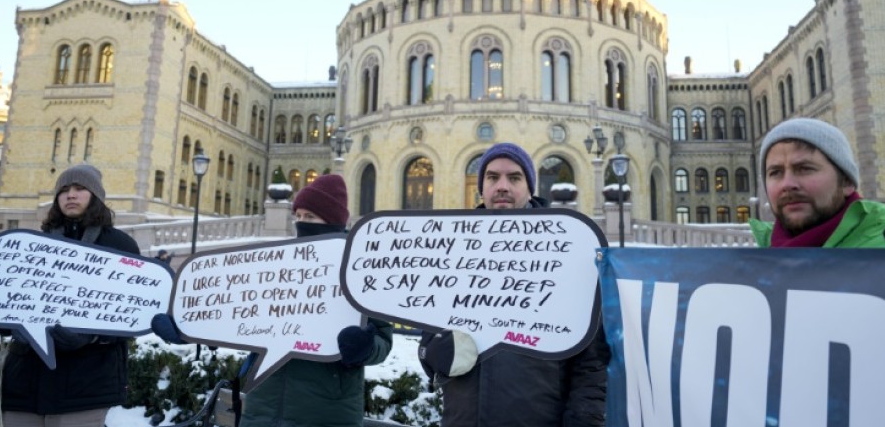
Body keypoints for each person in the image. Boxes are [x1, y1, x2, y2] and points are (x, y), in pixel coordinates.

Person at [152, 173, 393, 427]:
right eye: (297, 216)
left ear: (332, 221)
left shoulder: (360, 269)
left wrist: (364, 348)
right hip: (262, 408)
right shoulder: (278, 267)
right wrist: (189, 327)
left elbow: (383, 340)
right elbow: (234, 315)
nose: (301, 222)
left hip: (325, 414)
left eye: (310, 217)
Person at [418, 142, 611, 426]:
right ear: (481, 187)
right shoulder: (454, 253)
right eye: (493, 177)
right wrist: (433, 351)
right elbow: (428, 343)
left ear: (530, 187)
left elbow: (591, 360)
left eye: (515, 177)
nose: (502, 186)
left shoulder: (565, 253)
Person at [1, 163, 140, 427]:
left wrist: (92, 335)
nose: (71, 195)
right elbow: (4, 299)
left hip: (85, 388)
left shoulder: (120, 246)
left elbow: (133, 313)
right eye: (64, 190)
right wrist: (6, 323)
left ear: (95, 196)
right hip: (24, 385)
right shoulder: (31, 245)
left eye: (79, 188)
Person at [750, 117, 885, 248]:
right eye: (775, 172)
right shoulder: (758, 260)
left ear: (846, 181)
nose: (787, 184)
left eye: (804, 169)